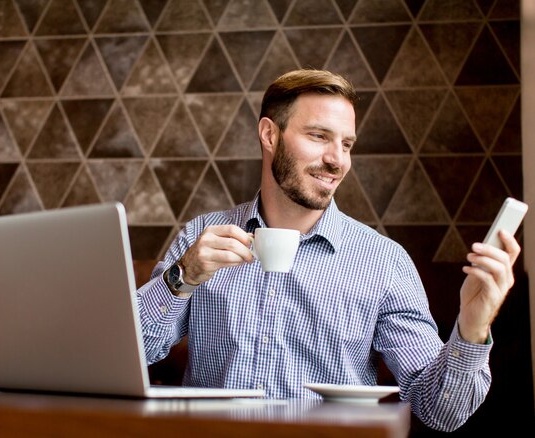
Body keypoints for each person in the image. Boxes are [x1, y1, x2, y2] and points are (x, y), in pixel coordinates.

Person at [135, 69, 521, 432]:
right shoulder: (201, 238)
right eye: (319, 136)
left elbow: (441, 412)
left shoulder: (383, 262)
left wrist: (472, 330)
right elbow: (135, 354)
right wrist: (179, 278)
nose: (337, 160)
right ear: (270, 135)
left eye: (346, 143)